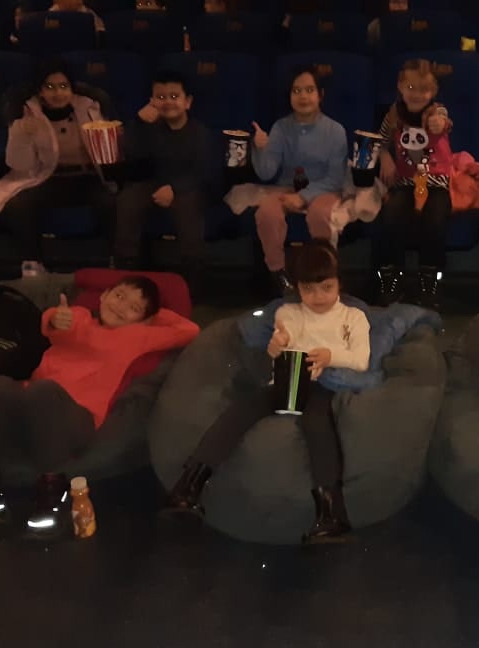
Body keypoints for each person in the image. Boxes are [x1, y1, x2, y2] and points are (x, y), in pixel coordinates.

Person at [164, 239, 370, 544]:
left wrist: (330, 356)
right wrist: (276, 346)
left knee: (317, 423)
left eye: (326, 287)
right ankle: (189, 485)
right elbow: (282, 341)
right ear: (297, 287)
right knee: (242, 409)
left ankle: (331, 513)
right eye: (308, 289)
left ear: (340, 282)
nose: (318, 297)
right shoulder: (288, 312)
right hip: (285, 382)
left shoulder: (353, 317)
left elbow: (361, 360)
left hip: (324, 384)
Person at [0, 276, 199, 537]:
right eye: (119, 296)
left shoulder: (139, 335)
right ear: (103, 295)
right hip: (30, 406)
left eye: (133, 308)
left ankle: (51, 494)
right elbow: (57, 322)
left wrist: (150, 316)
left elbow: (189, 330)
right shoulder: (79, 317)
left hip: (76, 419)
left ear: (145, 320)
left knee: (45, 392)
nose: (121, 307)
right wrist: (56, 318)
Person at [0, 61, 114, 276]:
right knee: (18, 204)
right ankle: (32, 263)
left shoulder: (89, 108)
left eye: (63, 86)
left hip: (87, 177)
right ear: (40, 91)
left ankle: (114, 260)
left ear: (72, 89)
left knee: (111, 200)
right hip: (48, 177)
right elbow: (19, 165)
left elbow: (107, 153)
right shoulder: (27, 113)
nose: (58, 93)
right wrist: (22, 135)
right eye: (50, 87)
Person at [250, 67, 348, 295]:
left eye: (309, 90)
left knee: (320, 214)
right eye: (296, 91)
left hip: (324, 187)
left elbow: (335, 178)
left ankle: (325, 274)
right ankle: (279, 274)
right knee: (267, 212)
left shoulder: (335, 131)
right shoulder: (280, 127)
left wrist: (303, 197)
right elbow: (266, 173)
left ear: (320, 95)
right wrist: (260, 148)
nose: (303, 96)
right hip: (287, 186)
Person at [112, 71, 211, 291]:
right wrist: (139, 122)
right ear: (152, 101)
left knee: (188, 206)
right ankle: (126, 272)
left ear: (188, 102)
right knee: (128, 200)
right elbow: (131, 153)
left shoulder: (199, 133)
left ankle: (192, 283)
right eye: (161, 97)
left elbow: (203, 171)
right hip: (152, 182)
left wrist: (175, 188)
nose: (168, 102)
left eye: (174, 96)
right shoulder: (149, 127)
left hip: (185, 186)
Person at [373, 59, 454, 310]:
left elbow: (443, 122)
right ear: (400, 86)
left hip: (435, 182)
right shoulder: (394, 114)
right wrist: (385, 157)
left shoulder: (436, 112)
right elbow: (381, 141)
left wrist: (439, 123)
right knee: (391, 215)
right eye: (410, 87)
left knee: (435, 221)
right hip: (406, 181)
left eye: (424, 89)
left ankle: (430, 280)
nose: (417, 94)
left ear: (434, 91)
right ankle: (392, 277)